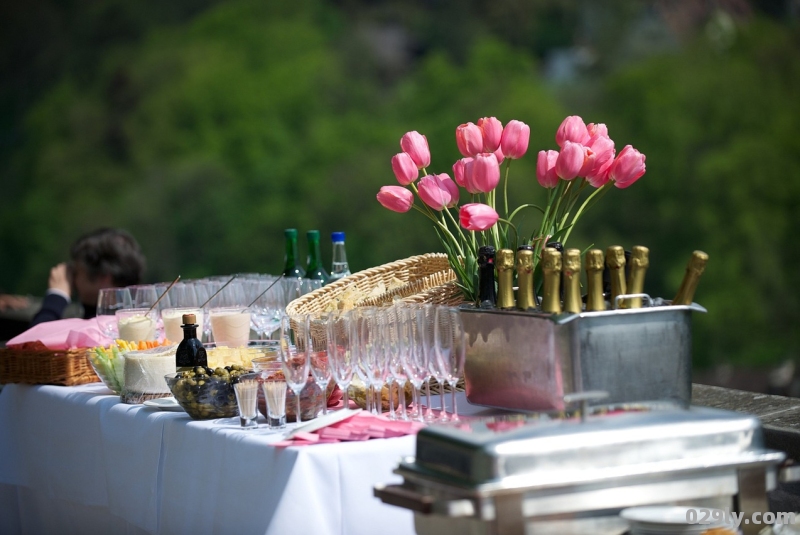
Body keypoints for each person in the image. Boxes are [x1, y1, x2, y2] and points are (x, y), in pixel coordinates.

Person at [30, 228, 146, 326]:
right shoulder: (142, 322)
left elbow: (32, 346)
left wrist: (56, 297)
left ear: (104, 278)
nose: (72, 279)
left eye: (77, 271)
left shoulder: (105, 328)